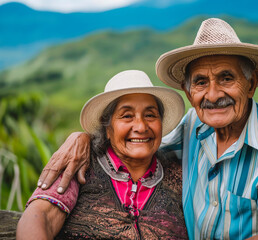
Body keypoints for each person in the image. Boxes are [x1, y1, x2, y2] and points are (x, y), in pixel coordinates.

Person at [36, 18, 258, 239]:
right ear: (188, 91)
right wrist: (82, 139)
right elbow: (139, 140)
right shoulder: (193, 127)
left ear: (251, 84)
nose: (213, 95)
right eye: (201, 82)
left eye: (226, 78)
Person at [16, 70, 187, 239]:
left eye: (150, 115)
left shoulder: (179, 175)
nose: (141, 127)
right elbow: (41, 217)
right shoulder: (80, 163)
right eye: (127, 116)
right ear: (108, 129)